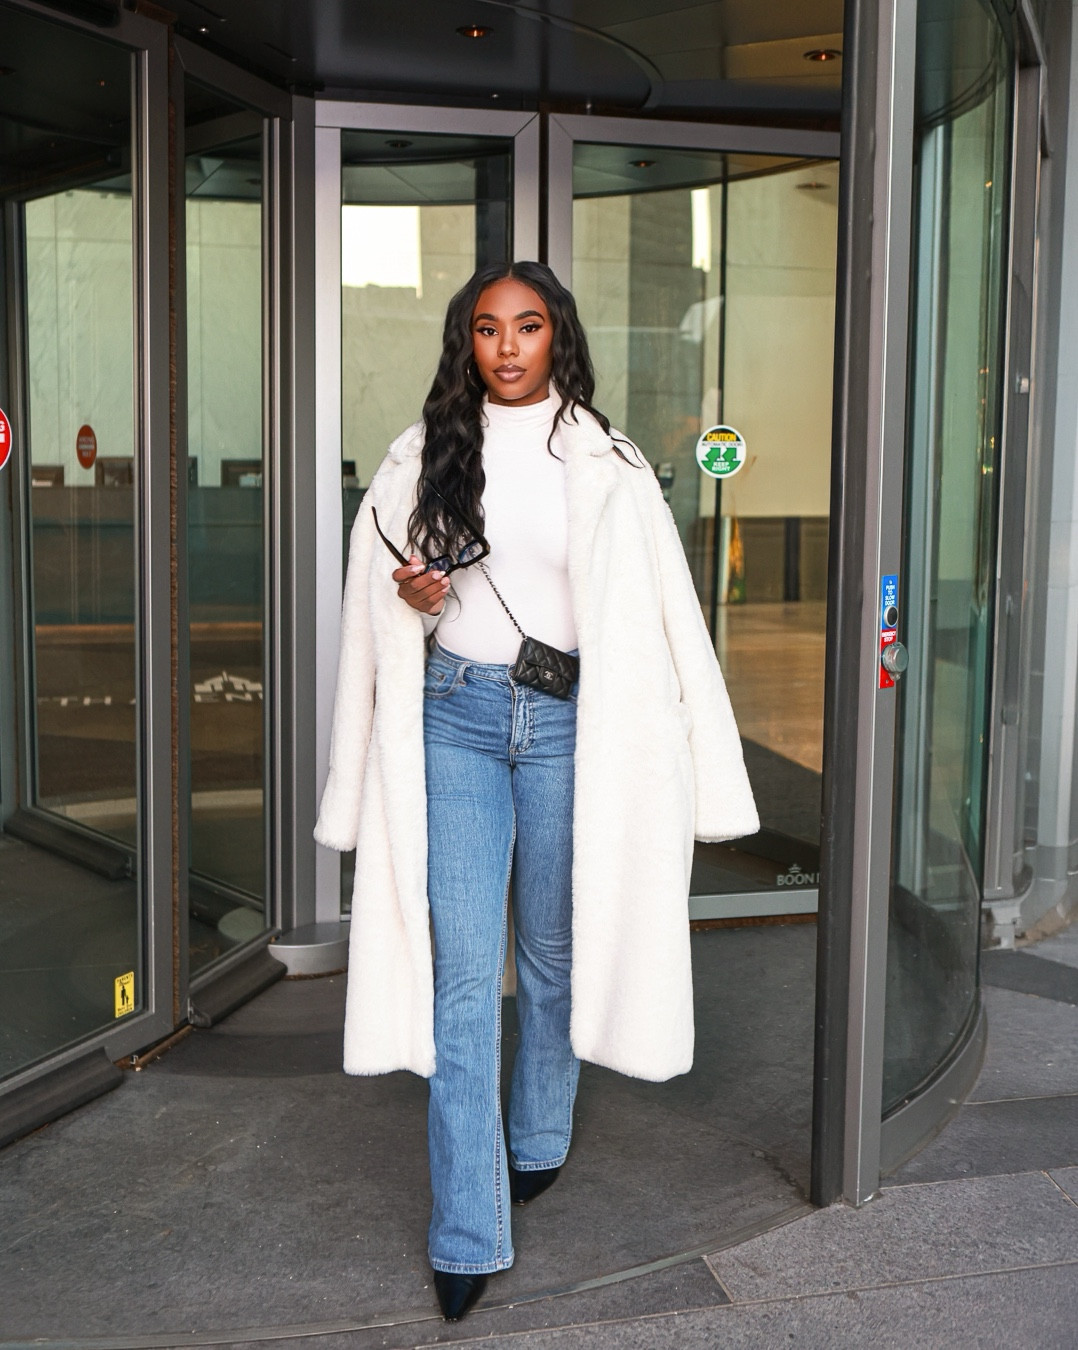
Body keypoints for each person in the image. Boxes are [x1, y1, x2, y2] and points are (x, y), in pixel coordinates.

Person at [315, 260, 758, 1322]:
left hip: (569, 726)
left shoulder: (609, 462)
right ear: (465, 342)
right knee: (464, 979)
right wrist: (417, 598)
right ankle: (466, 1226)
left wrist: (710, 768)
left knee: (554, 953)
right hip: (455, 720)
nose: (507, 347)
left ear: (556, 334)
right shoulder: (421, 456)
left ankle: (541, 1133)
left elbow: (670, 617)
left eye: (525, 326)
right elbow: (380, 617)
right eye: (486, 328)